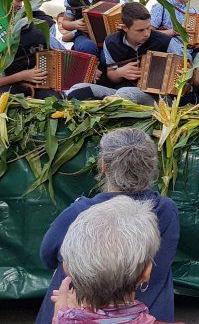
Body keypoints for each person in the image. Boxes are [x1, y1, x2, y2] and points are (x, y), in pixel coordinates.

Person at [36, 128, 179, 324]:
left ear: (103, 166)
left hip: (80, 305)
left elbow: (48, 254)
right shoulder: (168, 209)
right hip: (149, 305)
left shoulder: (81, 211)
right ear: (152, 166)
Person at [48, 196, 163, 324]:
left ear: (67, 267)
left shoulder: (62, 318)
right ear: (146, 272)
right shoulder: (168, 206)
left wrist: (62, 319)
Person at [65, 2, 186, 104]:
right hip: (118, 93)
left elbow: (189, 70)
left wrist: (183, 75)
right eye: (140, 30)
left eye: (148, 28)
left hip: (158, 99)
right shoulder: (111, 42)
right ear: (125, 28)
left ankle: (102, 104)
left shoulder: (166, 42)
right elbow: (111, 74)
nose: (147, 33)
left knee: (126, 93)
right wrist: (120, 72)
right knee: (77, 88)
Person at [61, 0, 127, 57]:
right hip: (83, 36)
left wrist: (121, 26)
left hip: (110, 38)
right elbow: (65, 23)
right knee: (87, 47)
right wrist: (75, 24)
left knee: (106, 56)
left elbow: (130, 20)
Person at [0, 0, 53, 97]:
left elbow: (54, 54)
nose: (20, 5)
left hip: (36, 84)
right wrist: (22, 76)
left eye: (22, 1)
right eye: (17, 0)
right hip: (10, 87)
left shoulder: (32, 27)